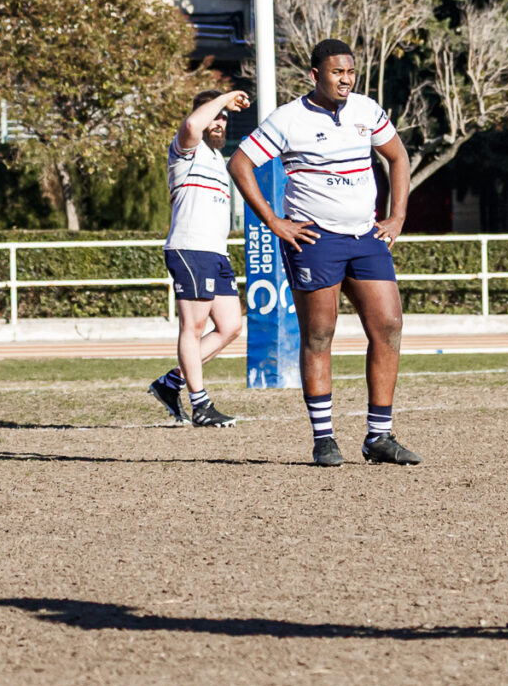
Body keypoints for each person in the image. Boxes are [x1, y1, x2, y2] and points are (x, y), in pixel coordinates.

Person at [230, 39, 421, 467]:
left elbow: (398, 157)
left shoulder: (366, 110)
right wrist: (274, 221)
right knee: (319, 334)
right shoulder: (288, 119)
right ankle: (324, 439)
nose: (346, 80)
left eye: (350, 72)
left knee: (389, 326)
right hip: (315, 240)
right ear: (316, 75)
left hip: (366, 237)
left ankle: (379, 437)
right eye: (337, 73)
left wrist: (397, 216)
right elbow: (239, 164)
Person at [150, 88, 252, 427]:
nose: (220, 122)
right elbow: (193, 125)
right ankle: (201, 405)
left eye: (225, 118)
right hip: (190, 248)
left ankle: (172, 382)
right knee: (193, 328)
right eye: (215, 116)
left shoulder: (218, 159)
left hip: (215, 253)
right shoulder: (186, 149)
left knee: (231, 326)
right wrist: (225, 98)